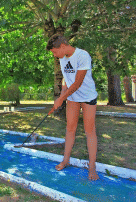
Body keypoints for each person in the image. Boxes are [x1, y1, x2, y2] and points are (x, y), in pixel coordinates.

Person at [46, 35, 99, 181]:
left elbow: (77, 83)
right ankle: (65, 160)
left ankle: (92, 167)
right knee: (70, 129)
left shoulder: (83, 55)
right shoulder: (63, 58)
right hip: (72, 98)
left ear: (63, 46)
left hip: (88, 97)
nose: (55, 55)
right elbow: (66, 80)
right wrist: (62, 95)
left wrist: (60, 99)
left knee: (89, 131)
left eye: (55, 52)